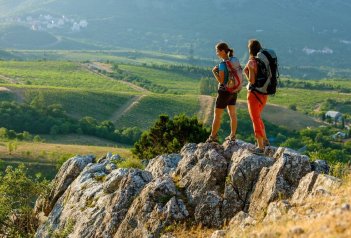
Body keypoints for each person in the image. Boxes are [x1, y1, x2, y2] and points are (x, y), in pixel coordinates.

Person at [206, 42, 239, 143]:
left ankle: (213, 137)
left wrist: (214, 72)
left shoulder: (222, 64)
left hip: (224, 92)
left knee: (217, 115)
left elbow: (221, 81)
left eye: (218, 51)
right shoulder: (234, 60)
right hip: (234, 90)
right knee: (232, 114)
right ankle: (232, 135)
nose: (217, 53)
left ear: (223, 51)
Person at [244, 39, 270, 154]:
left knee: (255, 119)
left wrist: (248, 71)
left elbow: (252, 80)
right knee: (258, 117)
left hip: (254, 95)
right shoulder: (263, 61)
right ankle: (265, 140)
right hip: (264, 94)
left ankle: (260, 146)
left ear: (250, 49)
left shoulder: (252, 62)